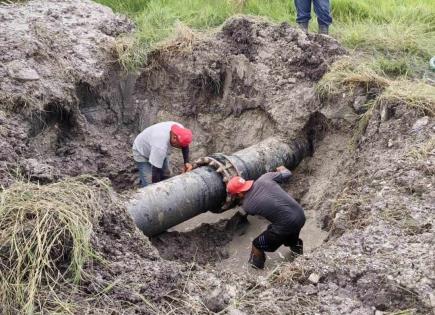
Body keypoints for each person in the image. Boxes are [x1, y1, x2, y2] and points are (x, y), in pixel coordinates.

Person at [226, 166, 305, 269]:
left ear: (240, 193)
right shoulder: (265, 177)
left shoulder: (248, 206)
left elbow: (255, 207)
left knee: (257, 244)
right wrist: (281, 169)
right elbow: (287, 173)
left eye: (235, 195)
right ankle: (301, 258)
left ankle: (256, 270)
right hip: (300, 215)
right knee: (290, 238)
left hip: (286, 224)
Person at [132, 121, 193, 188]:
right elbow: (156, 171)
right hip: (141, 152)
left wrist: (186, 162)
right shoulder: (160, 146)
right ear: (174, 138)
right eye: (180, 146)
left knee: (166, 175)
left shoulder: (180, 129)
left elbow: (185, 145)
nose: (181, 147)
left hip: (155, 148)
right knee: (149, 186)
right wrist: (157, 189)